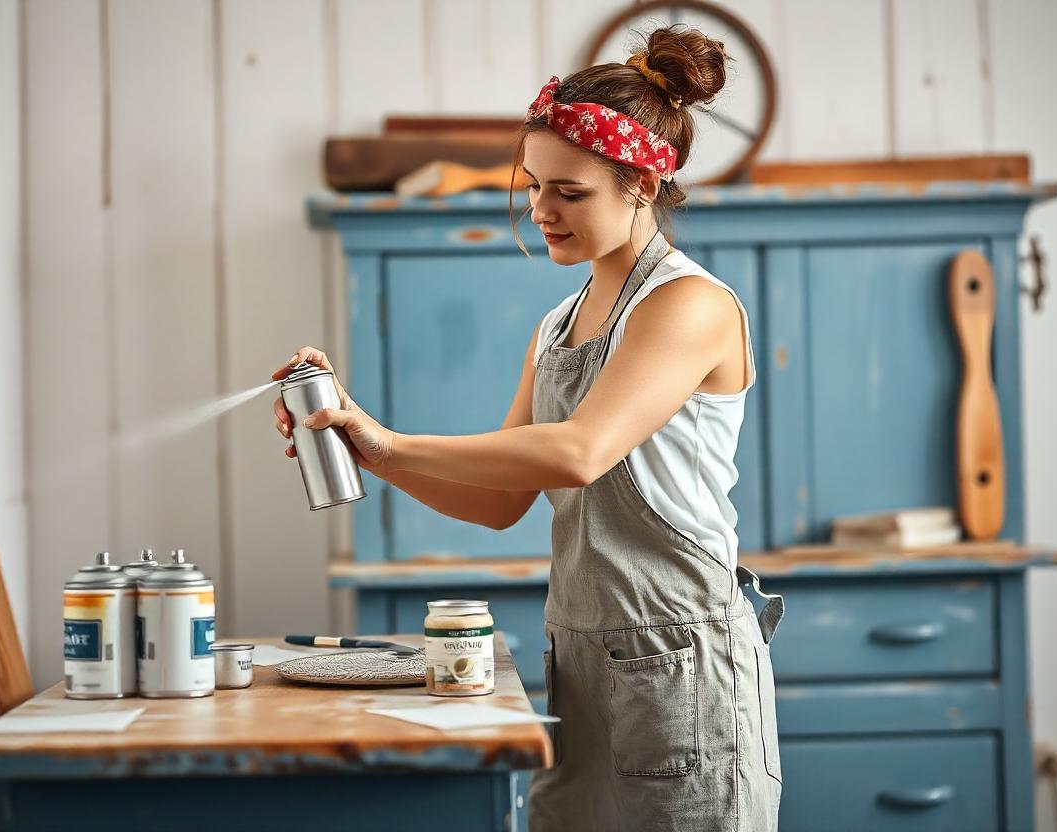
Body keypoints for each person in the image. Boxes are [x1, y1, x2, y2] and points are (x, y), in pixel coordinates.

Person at [272, 24, 784, 832]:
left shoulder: (691, 306)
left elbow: (579, 454)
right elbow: (504, 498)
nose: (541, 210)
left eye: (570, 192)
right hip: (583, 662)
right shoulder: (558, 325)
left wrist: (394, 438)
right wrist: (361, 447)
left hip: (682, 666)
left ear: (643, 186)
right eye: (534, 183)